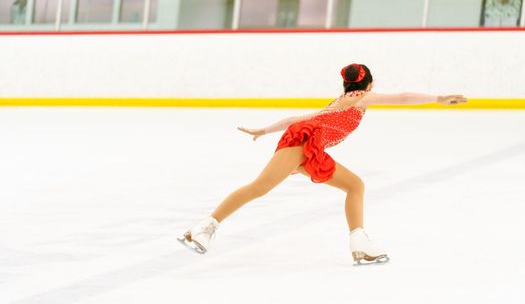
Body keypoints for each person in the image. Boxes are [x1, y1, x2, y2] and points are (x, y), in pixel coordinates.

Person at [178, 63, 467, 265]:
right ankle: (202, 227)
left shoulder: (338, 101)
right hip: (302, 145)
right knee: (259, 188)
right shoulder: (360, 98)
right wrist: (439, 98)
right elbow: (403, 98)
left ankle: (360, 244)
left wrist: (264, 131)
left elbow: (296, 119)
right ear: (368, 84)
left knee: (355, 185)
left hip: (309, 148)